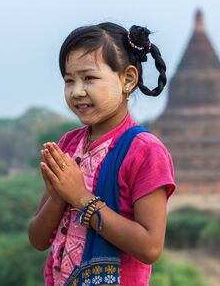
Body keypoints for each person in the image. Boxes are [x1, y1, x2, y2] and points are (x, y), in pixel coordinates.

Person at [28, 22, 176, 286]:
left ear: (127, 79)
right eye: (69, 80)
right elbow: (38, 239)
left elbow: (150, 247)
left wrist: (80, 197)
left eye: (89, 78)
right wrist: (60, 196)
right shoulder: (68, 145)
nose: (77, 92)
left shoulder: (144, 152)